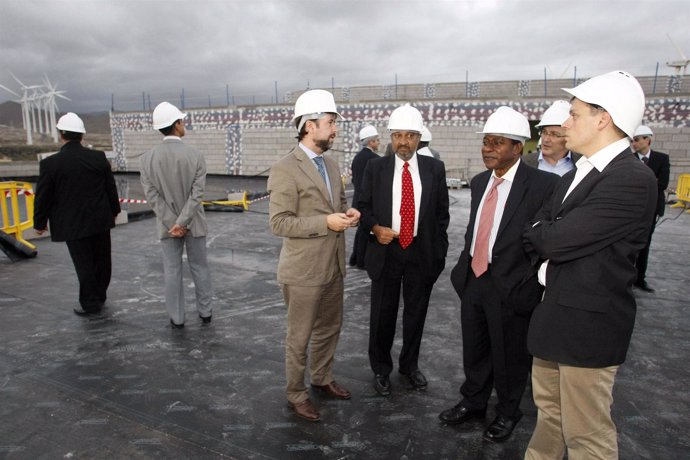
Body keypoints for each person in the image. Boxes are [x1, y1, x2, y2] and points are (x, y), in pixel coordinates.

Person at [523, 71, 657, 459]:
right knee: (549, 419)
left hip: (588, 329)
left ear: (602, 119)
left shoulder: (631, 179)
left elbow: (551, 238)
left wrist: (546, 233)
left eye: (574, 114)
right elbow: (536, 228)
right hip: (554, 318)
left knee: (586, 435)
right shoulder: (578, 175)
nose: (565, 124)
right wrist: (546, 232)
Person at [440, 106, 558, 442]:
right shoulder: (479, 182)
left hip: (512, 285)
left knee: (509, 355)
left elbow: (545, 234)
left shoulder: (543, 185)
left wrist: (527, 277)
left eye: (497, 142)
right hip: (475, 278)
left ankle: (507, 411)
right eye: (486, 142)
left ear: (518, 147)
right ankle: (474, 401)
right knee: (475, 348)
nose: (488, 148)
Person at [267, 89, 361, 422]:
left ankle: (321, 378)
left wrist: (347, 214)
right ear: (309, 125)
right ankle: (296, 393)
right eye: (331, 122)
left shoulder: (332, 165)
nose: (335, 129)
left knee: (329, 328)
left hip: (333, 265)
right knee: (300, 337)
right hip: (303, 271)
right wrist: (326, 222)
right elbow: (279, 222)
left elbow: (336, 207)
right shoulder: (284, 169)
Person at [358, 104, 449, 397]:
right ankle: (381, 370)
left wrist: (438, 254)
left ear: (419, 137)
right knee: (382, 316)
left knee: (416, 315)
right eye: (398, 135)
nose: (404, 142)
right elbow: (363, 207)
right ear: (391, 137)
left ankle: (410, 367)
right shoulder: (376, 168)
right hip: (387, 252)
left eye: (410, 136)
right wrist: (375, 229)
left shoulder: (435, 168)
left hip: (420, 254)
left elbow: (441, 215)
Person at [34, 112, 121, 316]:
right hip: (100, 220)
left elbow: (43, 196)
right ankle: (100, 296)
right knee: (102, 260)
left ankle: (90, 303)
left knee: (84, 264)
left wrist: (40, 222)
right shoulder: (98, 157)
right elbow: (110, 187)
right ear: (82, 135)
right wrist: (114, 210)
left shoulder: (51, 164)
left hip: (72, 224)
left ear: (62, 134)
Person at [140, 102, 213, 329]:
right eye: (182, 121)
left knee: (172, 271)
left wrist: (173, 223)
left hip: (167, 227)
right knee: (200, 267)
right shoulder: (195, 155)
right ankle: (205, 312)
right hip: (195, 223)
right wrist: (183, 221)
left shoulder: (147, 159)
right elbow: (197, 194)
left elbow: (152, 196)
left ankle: (177, 317)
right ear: (177, 124)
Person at [630, 125, 670, 293]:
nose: (634, 144)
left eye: (638, 140)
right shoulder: (629, 159)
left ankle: (640, 279)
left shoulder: (661, 159)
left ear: (648, 140)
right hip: (630, 209)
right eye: (633, 140)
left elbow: (662, 184)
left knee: (644, 244)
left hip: (651, 209)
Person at [349, 124, 380, 269]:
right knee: (366, 231)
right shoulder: (375, 159)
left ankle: (355, 258)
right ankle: (361, 261)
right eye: (377, 140)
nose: (379, 143)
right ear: (371, 142)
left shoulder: (357, 158)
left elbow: (355, 180)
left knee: (361, 230)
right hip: (369, 201)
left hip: (357, 199)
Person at [522, 100, 581, 176]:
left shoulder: (583, 164)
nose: (546, 139)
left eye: (554, 134)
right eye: (544, 132)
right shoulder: (522, 163)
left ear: (568, 137)